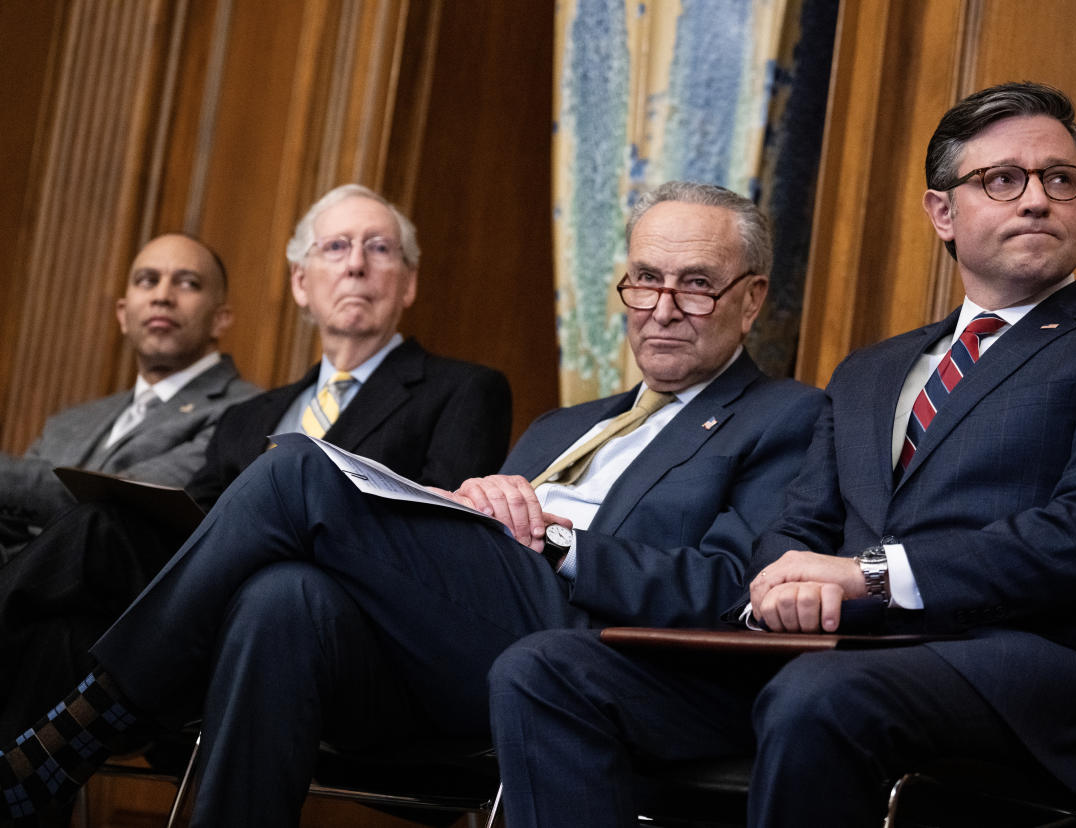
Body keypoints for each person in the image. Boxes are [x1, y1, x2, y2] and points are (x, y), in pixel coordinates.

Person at [484, 82, 1076, 827]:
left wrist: (865, 576)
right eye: (1003, 180)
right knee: (546, 670)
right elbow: (799, 524)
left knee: (817, 700)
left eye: (1060, 180)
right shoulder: (871, 371)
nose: (1036, 200)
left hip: (1021, 673)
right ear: (943, 213)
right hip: (840, 661)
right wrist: (783, 580)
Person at [0, 181, 825, 826]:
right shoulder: (564, 424)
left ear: (751, 300)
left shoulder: (787, 415)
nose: (662, 307)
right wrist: (461, 508)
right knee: (284, 598)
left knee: (295, 471)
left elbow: (726, 585)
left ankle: (88, 722)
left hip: (592, 649)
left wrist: (556, 535)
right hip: (460, 648)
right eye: (645, 280)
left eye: (696, 286)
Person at [0, 183, 512, 742]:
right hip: (203, 621)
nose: (357, 265)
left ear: (409, 283)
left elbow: (440, 546)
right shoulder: (250, 415)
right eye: (336, 247)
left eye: (380, 249)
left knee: (107, 568)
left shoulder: (463, 389)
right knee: (73, 602)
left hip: (321, 625)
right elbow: (191, 526)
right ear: (300, 282)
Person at [0, 234, 258, 564]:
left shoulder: (243, 413)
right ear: (122, 314)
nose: (162, 296)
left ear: (221, 318)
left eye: (188, 283)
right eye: (147, 281)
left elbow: (121, 504)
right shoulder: (67, 424)